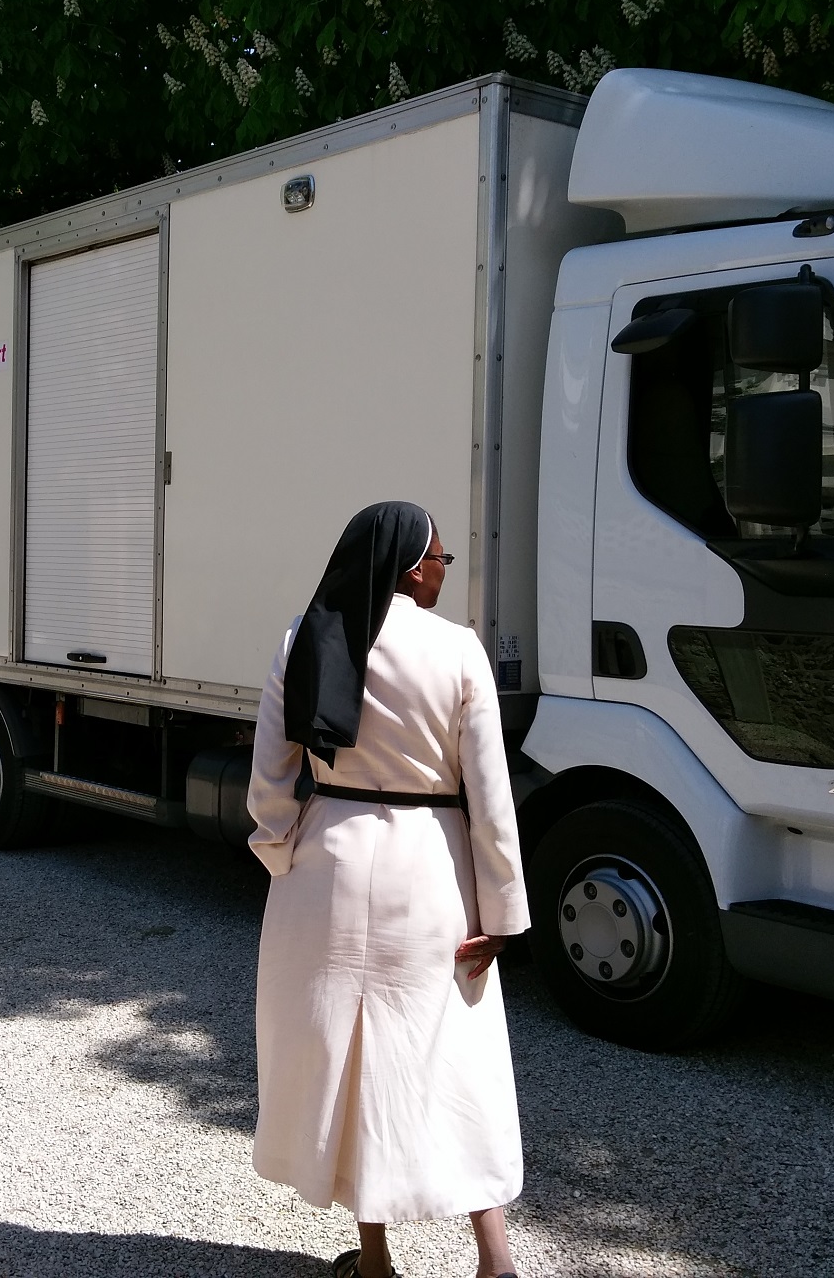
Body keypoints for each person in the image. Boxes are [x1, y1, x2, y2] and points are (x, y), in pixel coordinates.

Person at [248, 501, 529, 1278]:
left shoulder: (303, 639)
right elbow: (491, 798)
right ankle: (494, 1258)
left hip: (327, 866)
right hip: (433, 871)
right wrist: (504, 913)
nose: (445, 568)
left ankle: (373, 1262)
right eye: (441, 556)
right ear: (411, 564)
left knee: (350, 1058)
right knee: (461, 1056)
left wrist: (281, 852)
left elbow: (271, 780)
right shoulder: (459, 651)